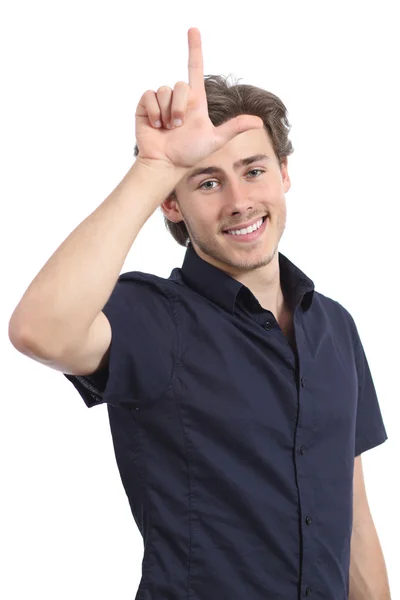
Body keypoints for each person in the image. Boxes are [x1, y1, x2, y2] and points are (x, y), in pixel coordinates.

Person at [9, 27, 390, 600]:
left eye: (254, 170)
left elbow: (354, 515)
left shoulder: (334, 326)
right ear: (173, 203)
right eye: (207, 181)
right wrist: (153, 166)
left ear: (284, 174)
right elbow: (39, 329)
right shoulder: (155, 319)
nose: (239, 201)